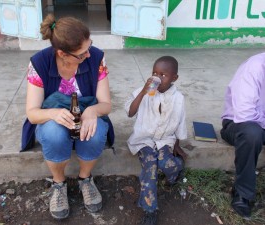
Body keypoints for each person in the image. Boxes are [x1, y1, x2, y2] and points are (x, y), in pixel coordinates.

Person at [21, 14, 114, 220]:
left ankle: (85, 179)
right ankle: (58, 183)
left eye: (89, 47)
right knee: (54, 133)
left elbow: (106, 104)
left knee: (95, 131)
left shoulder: (96, 57)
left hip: (86, 112)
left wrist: (92, 111)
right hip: (53, 116)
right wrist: (53, 113)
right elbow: (32, 113)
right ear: (62, 53)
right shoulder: (39, 63)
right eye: (82, 54)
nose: (88, 55)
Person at [125, 56, 187, 225]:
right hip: (144, 141)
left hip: (165, 140)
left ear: (174, 78)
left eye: (163, 75)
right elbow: (130, 112)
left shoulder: (178, 98)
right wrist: (143, 93)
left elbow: (180, 121)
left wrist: (177, 144)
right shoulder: (143, 92)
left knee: (167, 163)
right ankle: (149, 209)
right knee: (150, 166)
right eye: (154, 73)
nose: (158, 78)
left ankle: (177, 171)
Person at [220, 53, 265, 219]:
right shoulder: (254, 68)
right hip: (238, 124)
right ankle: (242, 194)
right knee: (252, 134)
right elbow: (245, 114)